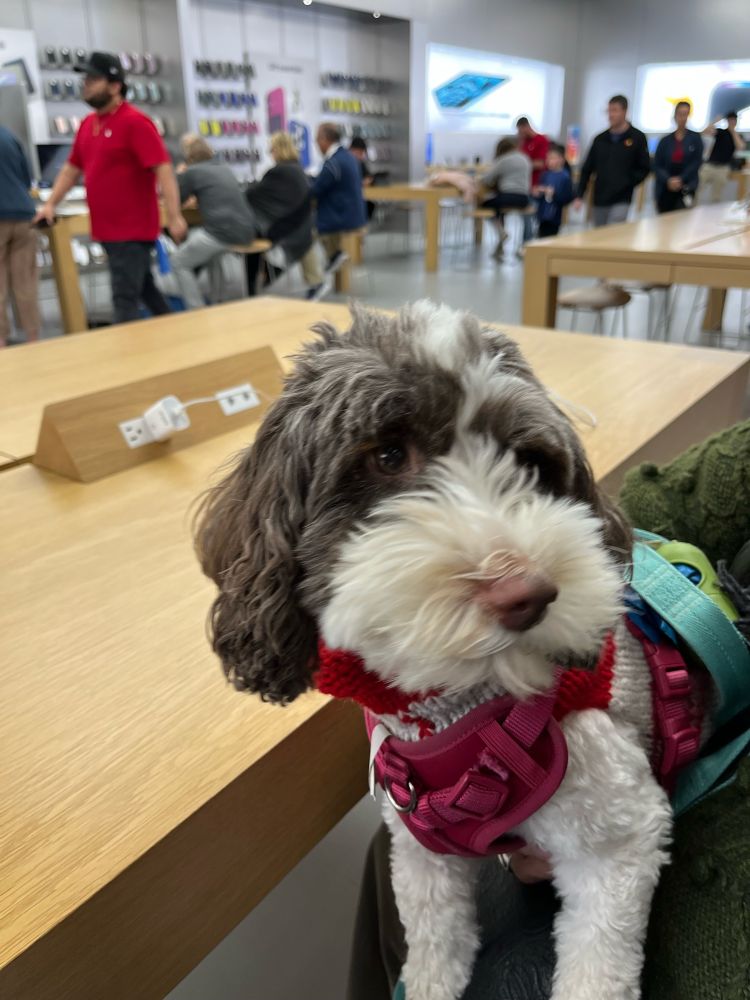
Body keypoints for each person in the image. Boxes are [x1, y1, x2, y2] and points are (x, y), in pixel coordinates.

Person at [34, 51, 186, 325]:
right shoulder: (87, 126)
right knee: (144, 289)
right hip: (107, 229)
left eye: (94, 79)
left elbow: (162, 168)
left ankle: (126, 361)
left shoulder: (135, 122)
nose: (86, 85)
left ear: (115, 86)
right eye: (86, 79)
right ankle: (175, 334)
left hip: (133, 230)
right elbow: (71, 169)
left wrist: (174, 216)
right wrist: (50, 204)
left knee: (123, 299)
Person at [170, 134, 256, 310]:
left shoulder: (192, 172)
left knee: (178, 262)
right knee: (211, 252)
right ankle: (219, 302)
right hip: (246, 230)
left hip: (221, 232)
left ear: (189, 157)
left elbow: (176, 198)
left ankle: (196, 309)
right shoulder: (224, 168)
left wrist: (180, 174)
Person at [243, 131, 328, 300]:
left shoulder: (279, 172)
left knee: (252, 235)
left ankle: (252, 288)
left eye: (271, 149)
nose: (270, 153)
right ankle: (270, 271)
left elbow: (254, 194)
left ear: (278, 149)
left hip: (289, 226)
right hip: (302, 223)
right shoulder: (297, 169)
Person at [574, 94, 650, 227]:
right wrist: (580, 194)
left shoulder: (637, 138)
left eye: (615, 110)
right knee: (599, 234)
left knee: (614, 229)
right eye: (609, 110)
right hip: (600, 197)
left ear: (625, 111)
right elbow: (587, 168)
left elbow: (644, 167)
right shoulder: (600, 139)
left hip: (622, 197)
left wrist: (628, 182)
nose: (611, 115)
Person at [0, 125, 41, 346]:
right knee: (26, 282)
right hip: (24, 214)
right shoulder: (10, 137)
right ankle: (33, 339)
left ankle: (1, 343)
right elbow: (27, 180)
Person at [312, 122, 366, 270]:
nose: (316, 144)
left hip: (342, 218)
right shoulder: (348, 157)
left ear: (324, 139)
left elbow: (316, 189)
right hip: (355, 214)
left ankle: (322, 270)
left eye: (317, 139)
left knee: (306, 230)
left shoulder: (333, 163)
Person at [479, 137, 531, 259]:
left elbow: (487, 179)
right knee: (499, 210)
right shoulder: (525, 158)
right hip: (524, 199)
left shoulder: (504, 160)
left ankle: (500, 232)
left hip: (508, 196)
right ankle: (500, 244)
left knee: (486, 204)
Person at [653, 101, 703, 214]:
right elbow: (657, 164)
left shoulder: (695, 138)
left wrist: (681, 179)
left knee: (683, 221)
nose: (683, 118)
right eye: (680, 114)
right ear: (675, 115)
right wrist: (668, 180)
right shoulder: (665, 141)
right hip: (666, 187)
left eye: (686, 114)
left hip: (686, 186)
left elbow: (696, 162)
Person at [700, 111, 747, 203]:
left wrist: (733, 131)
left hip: (723, 168)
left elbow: (740, 147)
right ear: (727, 121)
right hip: (709, 166)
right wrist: (714, 122)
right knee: (698, 189)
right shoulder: (721, 132)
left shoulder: (738, 135)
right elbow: (703, 133)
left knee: (716, 196)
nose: (732, 122)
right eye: (730, 120)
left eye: (734, 120)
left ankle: (713, 215)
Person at [516, 116, 550, 242]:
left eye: (521, 130)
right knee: (526, 215)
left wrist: (523, 164)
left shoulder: (541, 140)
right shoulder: (524, 142)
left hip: (537, 184)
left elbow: (541, 163)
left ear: (526, 126)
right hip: (525, 184)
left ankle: (528, 242)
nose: (520, 134)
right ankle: (526, 242)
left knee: (530, 215)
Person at [533, 144, 574, 238]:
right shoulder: (545, 175)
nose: (549, 161)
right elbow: (539, 195)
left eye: (552, 158)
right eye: (548, 158)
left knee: (550, 237)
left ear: (561, 159)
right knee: (540, 236)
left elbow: (567, 197)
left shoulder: (565, 177)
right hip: (542, 214)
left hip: (555, 215)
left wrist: (554, 194)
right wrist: (537, 193)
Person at [349, 136, 376, 221]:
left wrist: (369, 180)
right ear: (351, 150)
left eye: (362, 153)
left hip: (360, 197)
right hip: (349, 199)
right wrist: (360, 183)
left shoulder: (360, 163)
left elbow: (368, 176)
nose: (360, 156)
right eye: (358, 153)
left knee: (370, 205)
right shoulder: (345, 163)